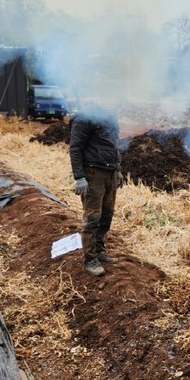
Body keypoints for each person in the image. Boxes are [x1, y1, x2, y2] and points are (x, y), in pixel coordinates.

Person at [69, 103, 122, 276]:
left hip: (110, 174)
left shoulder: (110, 117)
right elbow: (75, 148)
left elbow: (114, 146)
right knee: (93, 218)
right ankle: (90, 258)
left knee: (107, 215)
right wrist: (79, 177)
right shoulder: (85, 117)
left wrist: (118, 170)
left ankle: (99, 251)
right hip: (93, 174)